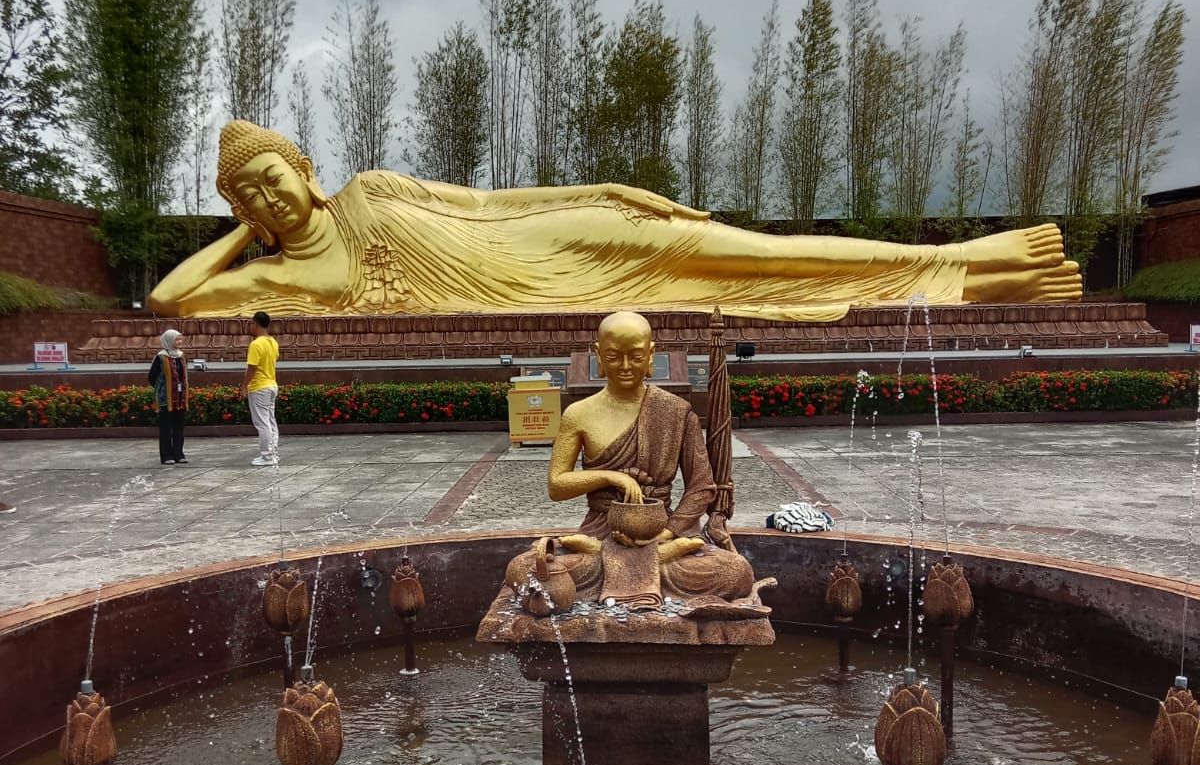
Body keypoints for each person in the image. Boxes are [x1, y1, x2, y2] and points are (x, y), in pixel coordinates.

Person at [147, 121, 1082, 320]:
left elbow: (489, 203)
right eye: (248, 196)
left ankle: (965, 258)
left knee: (749, 254)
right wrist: (243, 231)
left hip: (550, 240)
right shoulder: (282, 274)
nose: (267, 198)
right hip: (536, 298)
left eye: (272, 178)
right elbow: (170, 302)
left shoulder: (372, 190)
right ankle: (974, 277)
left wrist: (602, 192)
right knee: (742, 284)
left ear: (305, 167)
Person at [504, 309, 755, 604]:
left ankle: (639, 557)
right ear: (598, 355)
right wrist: (612, 477)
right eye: (613, 357)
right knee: (522, 570)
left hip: (660, 531)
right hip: (599, 531)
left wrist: (667, 534)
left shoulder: (675, 411)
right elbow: (557, 486)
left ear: (650, 355)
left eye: (635, 357)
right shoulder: (579, 414)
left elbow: (701, 487)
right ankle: (632, 558)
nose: (625, 367)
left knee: (736, 572)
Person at [242, 311, 279, 467]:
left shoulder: (256, 344)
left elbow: (252, 368)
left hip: (259, 387)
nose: (250, 326)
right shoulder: (273, 342)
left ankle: (267, 456)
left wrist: (244, 386)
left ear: (256, 324)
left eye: (251, 323)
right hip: (271, 385)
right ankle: (273, 453)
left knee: (262, 423)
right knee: (270, 421)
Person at [148, 328, 189, 465]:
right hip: (166, 399)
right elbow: (152, 377)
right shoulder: (161, 357)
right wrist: (162, 389)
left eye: (180, 339)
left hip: (180, 398)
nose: (180, 342)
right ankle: (166, 455)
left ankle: (179, 454)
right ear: (169, 341)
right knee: (166, 428)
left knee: (179, 427)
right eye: (177, 339)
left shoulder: (182, 356)